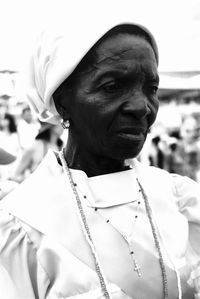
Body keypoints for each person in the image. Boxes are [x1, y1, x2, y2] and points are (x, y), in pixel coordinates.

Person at [0, 20, 200, 299]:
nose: (142, 107)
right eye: (112, 86)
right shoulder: (23, 224)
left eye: (151, 87)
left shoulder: (179, 199)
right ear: (62, 101)